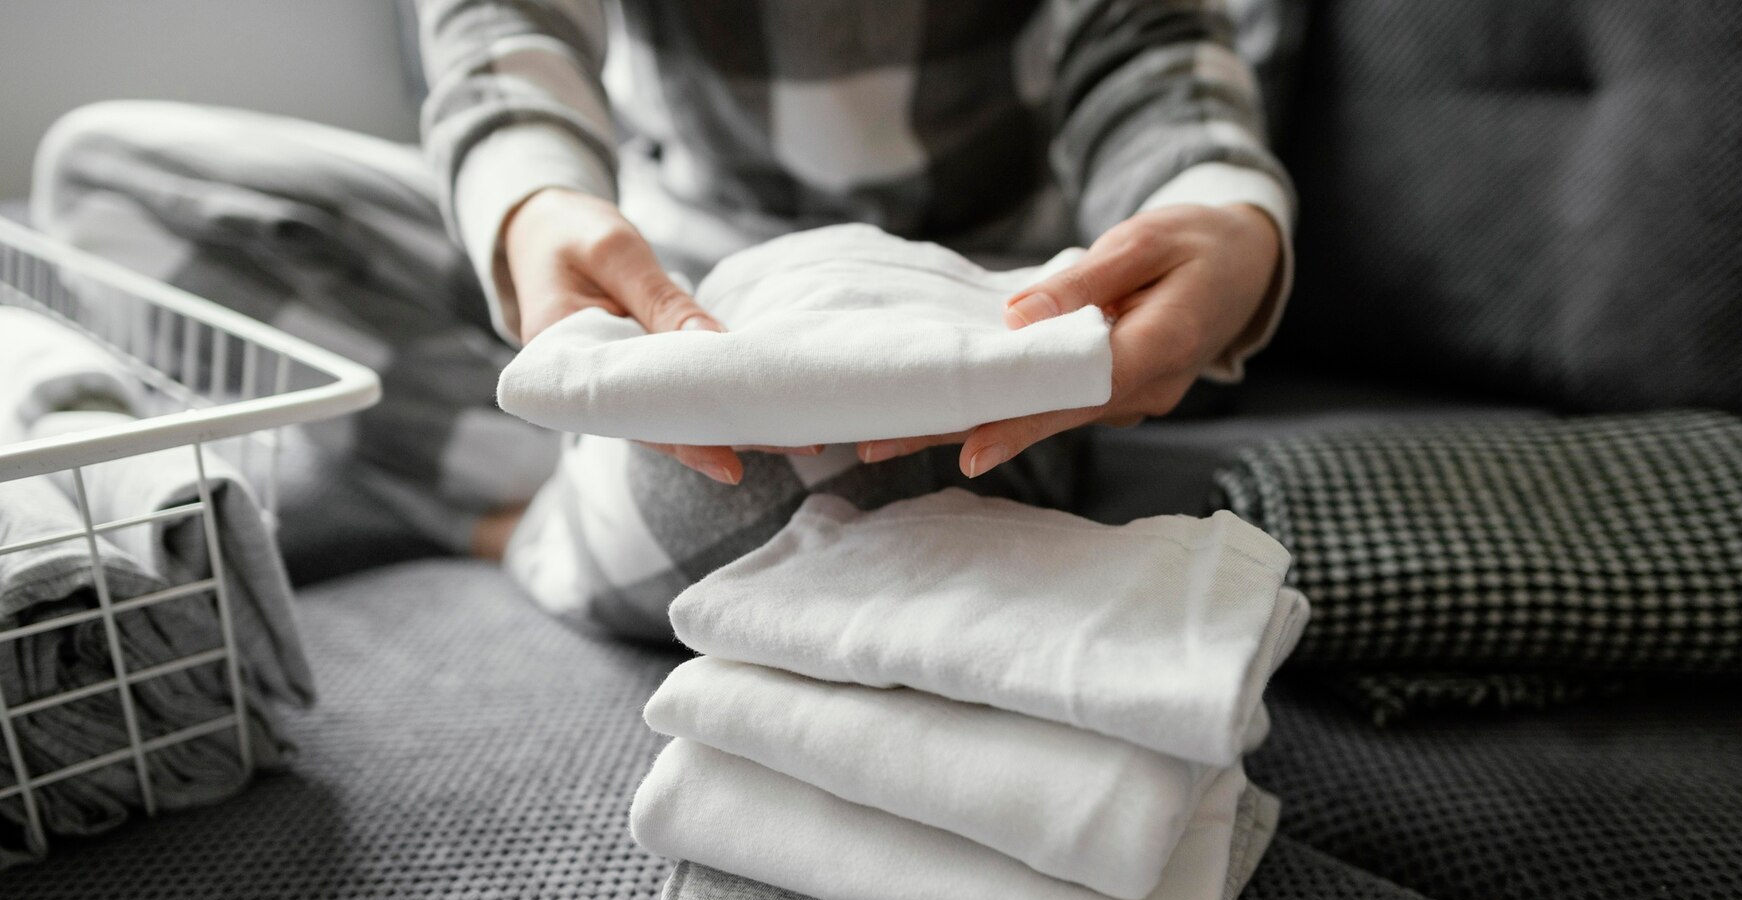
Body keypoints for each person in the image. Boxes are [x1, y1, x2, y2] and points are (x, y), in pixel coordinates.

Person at [34, 0, 1292, 639]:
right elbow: (506, 27)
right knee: (109, 178)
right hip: (664, 266)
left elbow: (1150, 48)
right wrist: (535, 203)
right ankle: (590, 497)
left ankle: (590, 493)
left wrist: (1220, 209)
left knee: (844, 453)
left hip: (953, 307)